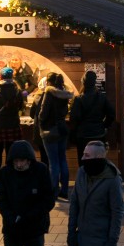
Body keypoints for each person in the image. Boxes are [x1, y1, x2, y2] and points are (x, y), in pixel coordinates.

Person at [37, 72, 73, 200]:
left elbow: (43, 114)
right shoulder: (64, 94)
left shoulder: (49, 93)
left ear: (48, 82)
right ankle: (64, 190)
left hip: (50, 130)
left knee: (53, 162)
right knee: (62, 159)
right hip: (62, 128)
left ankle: (54, 191)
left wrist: (41, 122)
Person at [0, 67, 25, 184]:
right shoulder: (18, 91)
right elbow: (21, 107)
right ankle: (10, 178)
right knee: (11, 153)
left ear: (1, 77)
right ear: (11, 77)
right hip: (13, 126)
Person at [70, 70, 115, 165]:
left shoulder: (78, 99)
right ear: (94, 82)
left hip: (83, 135)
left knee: (83, 163)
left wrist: (74, 133)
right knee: (99, 161)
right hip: (98, 133)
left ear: (83, 82)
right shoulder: (102, 97)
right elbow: (111, 114)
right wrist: (104, 125)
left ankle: (85, 180)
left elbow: (74, 118)